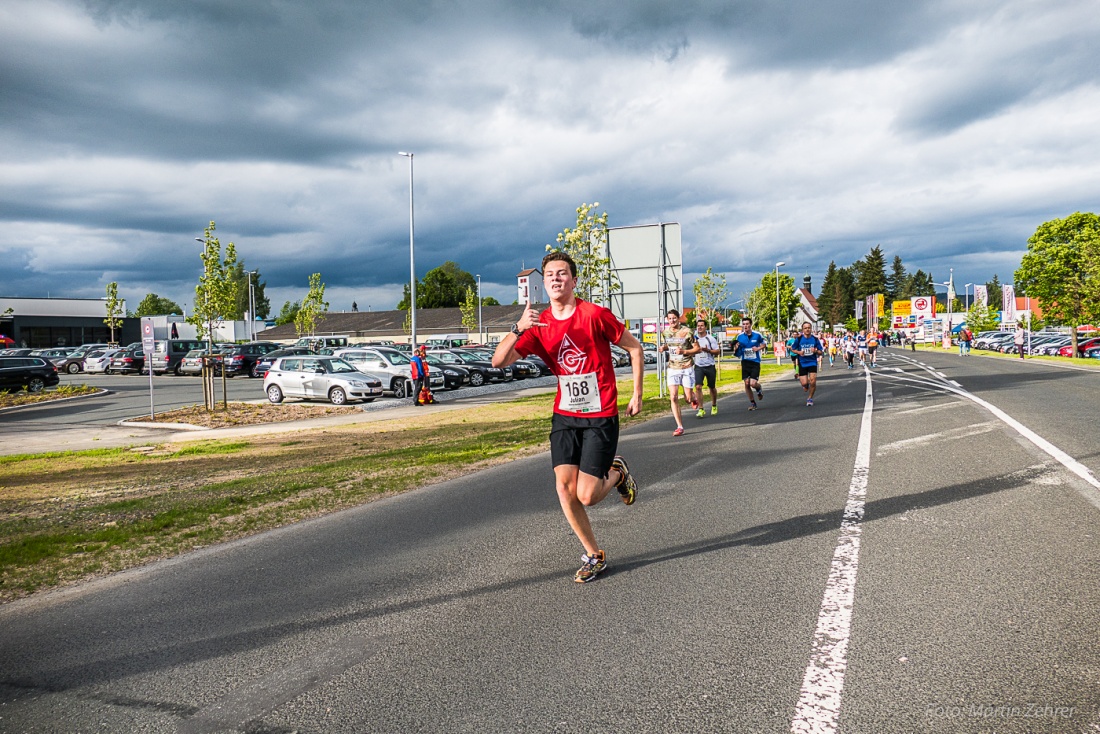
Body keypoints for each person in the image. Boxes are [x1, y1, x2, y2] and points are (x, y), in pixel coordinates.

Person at [492, 251, 643, 584]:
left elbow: (635, 348)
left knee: (587, 495)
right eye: (549, 275)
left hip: (600, 413)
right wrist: (517, 328)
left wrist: (637, 394)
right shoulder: (537, 325)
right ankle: (593, 554)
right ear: (543, 283)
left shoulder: (595, 315)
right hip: (565, 415)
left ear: (574, 280)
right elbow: (498, 362)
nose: (556, 279)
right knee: (564, 488)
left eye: (562, 273)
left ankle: (617, 472)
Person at [658, 309, 700, 436]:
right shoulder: (665, 333)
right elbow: (670, 345)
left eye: (674, 318)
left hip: (687, 366)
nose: (672, 321)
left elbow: (697, 349)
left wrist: (684, 352)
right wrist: (663, 348)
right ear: (667, 320)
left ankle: (693, 397)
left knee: (687, 398)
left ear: (678, 318)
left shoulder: (687, 332)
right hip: (672, 367)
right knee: (673, 396)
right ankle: (679, 426)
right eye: (669, 318)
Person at [734, 316, 767, 410]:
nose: (745, 326)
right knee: (747, 383)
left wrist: (758, 348)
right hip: (745, 362)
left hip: (755, 362)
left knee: (753, 383)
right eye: (743, 324)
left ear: (751, 325)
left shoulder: (757, 335)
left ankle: (758, 389)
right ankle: (753, 403)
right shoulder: (740, 336)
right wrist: (736, 348)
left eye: (747, 324)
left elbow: (764, 344)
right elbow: (737, 350)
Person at [791, 322, 824, 406]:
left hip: (812, 362)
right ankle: (805, 385)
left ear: (811, 329)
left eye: (809, 328)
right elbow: (792, 349)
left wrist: (815, 351)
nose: (807, 329)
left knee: (813, 381)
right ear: (802, 329)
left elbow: (821, 351)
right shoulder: (799, 339)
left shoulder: (815, 339)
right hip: (802, 362)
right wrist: (799, 352)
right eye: (805, 328)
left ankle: (810, 398)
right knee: (804, 384)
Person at [692, 319, 720, 418]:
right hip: (699, 366)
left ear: (705, 327)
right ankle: (701, 409)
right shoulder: (694, 339)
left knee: (711, 387)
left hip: (710, 366)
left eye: (702, 326)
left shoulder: (710, 339)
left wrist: (708, 350)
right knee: (698, 387)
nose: (700, 327)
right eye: (698, 326)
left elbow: (717, 352)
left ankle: (714, 405)